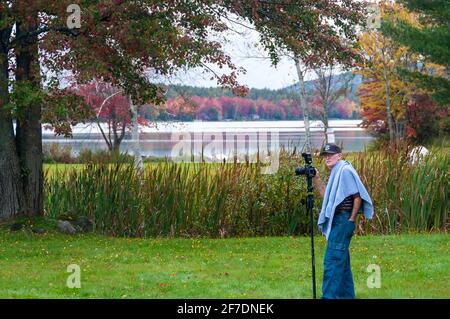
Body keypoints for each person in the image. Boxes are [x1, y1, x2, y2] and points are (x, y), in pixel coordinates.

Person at [313, 143, 374, 299]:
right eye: (325, 155)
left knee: (332, 262)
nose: (327, 157)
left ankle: (328, 297)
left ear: (339, 155)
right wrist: (317, 179)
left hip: (342, 221)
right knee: (343, 264)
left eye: (330, 154)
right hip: (338, 221)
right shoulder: (336, 172)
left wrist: (351, 218)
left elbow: (357, 196)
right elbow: (327, 196)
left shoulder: (345, 171)